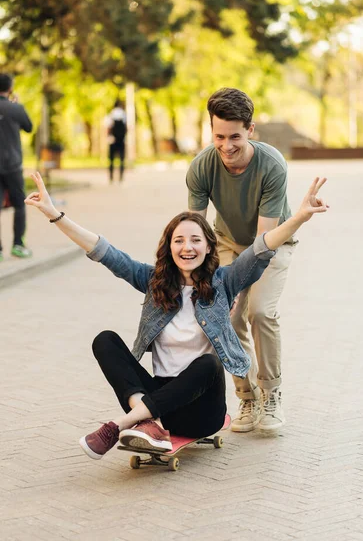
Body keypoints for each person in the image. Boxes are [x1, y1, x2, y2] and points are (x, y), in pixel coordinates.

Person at [25, 171, 328, 460]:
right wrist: (55, 215)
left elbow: (261, 248)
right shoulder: (153, 282)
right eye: (179, 240)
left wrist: (300, 216)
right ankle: (148, 421)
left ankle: (120, 424)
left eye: (196, 240)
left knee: (209, 363)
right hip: (163, 400)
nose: (187, 247)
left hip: (202, 411)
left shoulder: (225, 282)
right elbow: (105, 251)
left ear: (210, 247)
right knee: (105, 341)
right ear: (169, 248)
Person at [186, 87, 298, 433]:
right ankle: (247, 397)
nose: (226, 146)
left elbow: (264, 242)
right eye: (219, 136)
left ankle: (271, 394)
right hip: (226, 242)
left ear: (250, 130)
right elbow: (194, 230)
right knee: (226, 313)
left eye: (235, 136)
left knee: (259, 311)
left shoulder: (272, 166)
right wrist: (202, 281)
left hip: (273, 241)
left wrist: (236, 283)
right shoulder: (201, 167)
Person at [0, 73, 33, 261]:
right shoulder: (16, 108)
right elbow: (28, 127)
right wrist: (15, 105)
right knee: (20, 205)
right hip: (13, 165)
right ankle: (18, 245)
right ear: (10, 88)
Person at [106, 100, 127, 183]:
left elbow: (108, 127)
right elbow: (126, 127)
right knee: (122, 159)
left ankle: (111, 177)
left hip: (113, 139)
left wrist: (109, 137)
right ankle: (121, 176)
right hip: (121, 139)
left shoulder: (111, 114)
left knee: (111, 159)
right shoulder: (123, 114)